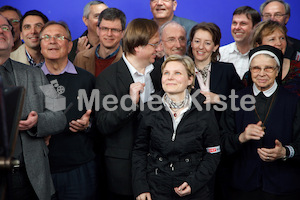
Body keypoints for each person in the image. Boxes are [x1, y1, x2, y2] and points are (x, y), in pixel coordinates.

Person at [132, 54, 221, 200]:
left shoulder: (204, 110)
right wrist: (140, 188)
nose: (170, 77)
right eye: (166, 73)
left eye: (177, 73)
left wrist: (194, 183)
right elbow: (139, 151)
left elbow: (213, 152)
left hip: (194, 191)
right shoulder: (149, 108)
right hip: (156, 190)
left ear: (190, 79)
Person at [220, 45, 300, 200]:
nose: (262, 73)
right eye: (256, 68)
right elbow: (221, 141)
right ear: (250, 70)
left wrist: (285, 151)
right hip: (242, 186)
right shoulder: (235, 100)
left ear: (277, 70)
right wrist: (241, 137)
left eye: (268, 68)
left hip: (283, 186)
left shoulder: (294, 101)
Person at [0, 14, 66, 200]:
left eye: (5, 28)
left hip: (29, 178)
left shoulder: (36, 74)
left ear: (13, 38)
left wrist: (37, 122)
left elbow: (60, 115)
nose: (1, 31)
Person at [96, 18, 162, 200]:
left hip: (159, 169)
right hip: (124, 171)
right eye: (154, 44)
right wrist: (130, 103)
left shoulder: (161, 71)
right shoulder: (107, 77)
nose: (159, 49)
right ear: (137, 47)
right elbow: (103, 124)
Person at [39, 21, 97, 199]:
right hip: (41, 168)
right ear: (40, 45)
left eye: (59, 37)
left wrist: (88, 125)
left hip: (79, 166)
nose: (52, 41)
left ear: (70, 45)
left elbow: (100, 119)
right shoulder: (30, 78)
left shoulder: (86, 79)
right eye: (46, 37)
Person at [188, 22, 243, 122]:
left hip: (221, 131)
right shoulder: (182, 71)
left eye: (207, 43)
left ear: (215, 47)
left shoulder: (227, 70)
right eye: (197, 41)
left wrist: (219, 99)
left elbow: (243, 100)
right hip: (191, 131)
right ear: (191, 43)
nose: (201, 47)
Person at [244, 20, 300, 96]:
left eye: (282, 38)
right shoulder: (250, 76)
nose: (279, 43)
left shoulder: (297, 68)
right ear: (258, 44)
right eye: (272, 39)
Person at [74, 7, 125, 77]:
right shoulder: (81, 58)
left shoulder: (128, 61)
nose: (109, 34)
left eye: (115, 30)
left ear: (122, 33)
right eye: (105, 29)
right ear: (98, 30)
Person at [219, 6, 261, 79]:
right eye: (234, 23)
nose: (237, 27)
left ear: (256, 27)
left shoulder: (263, 55)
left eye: (243, 23)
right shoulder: (220, 54)